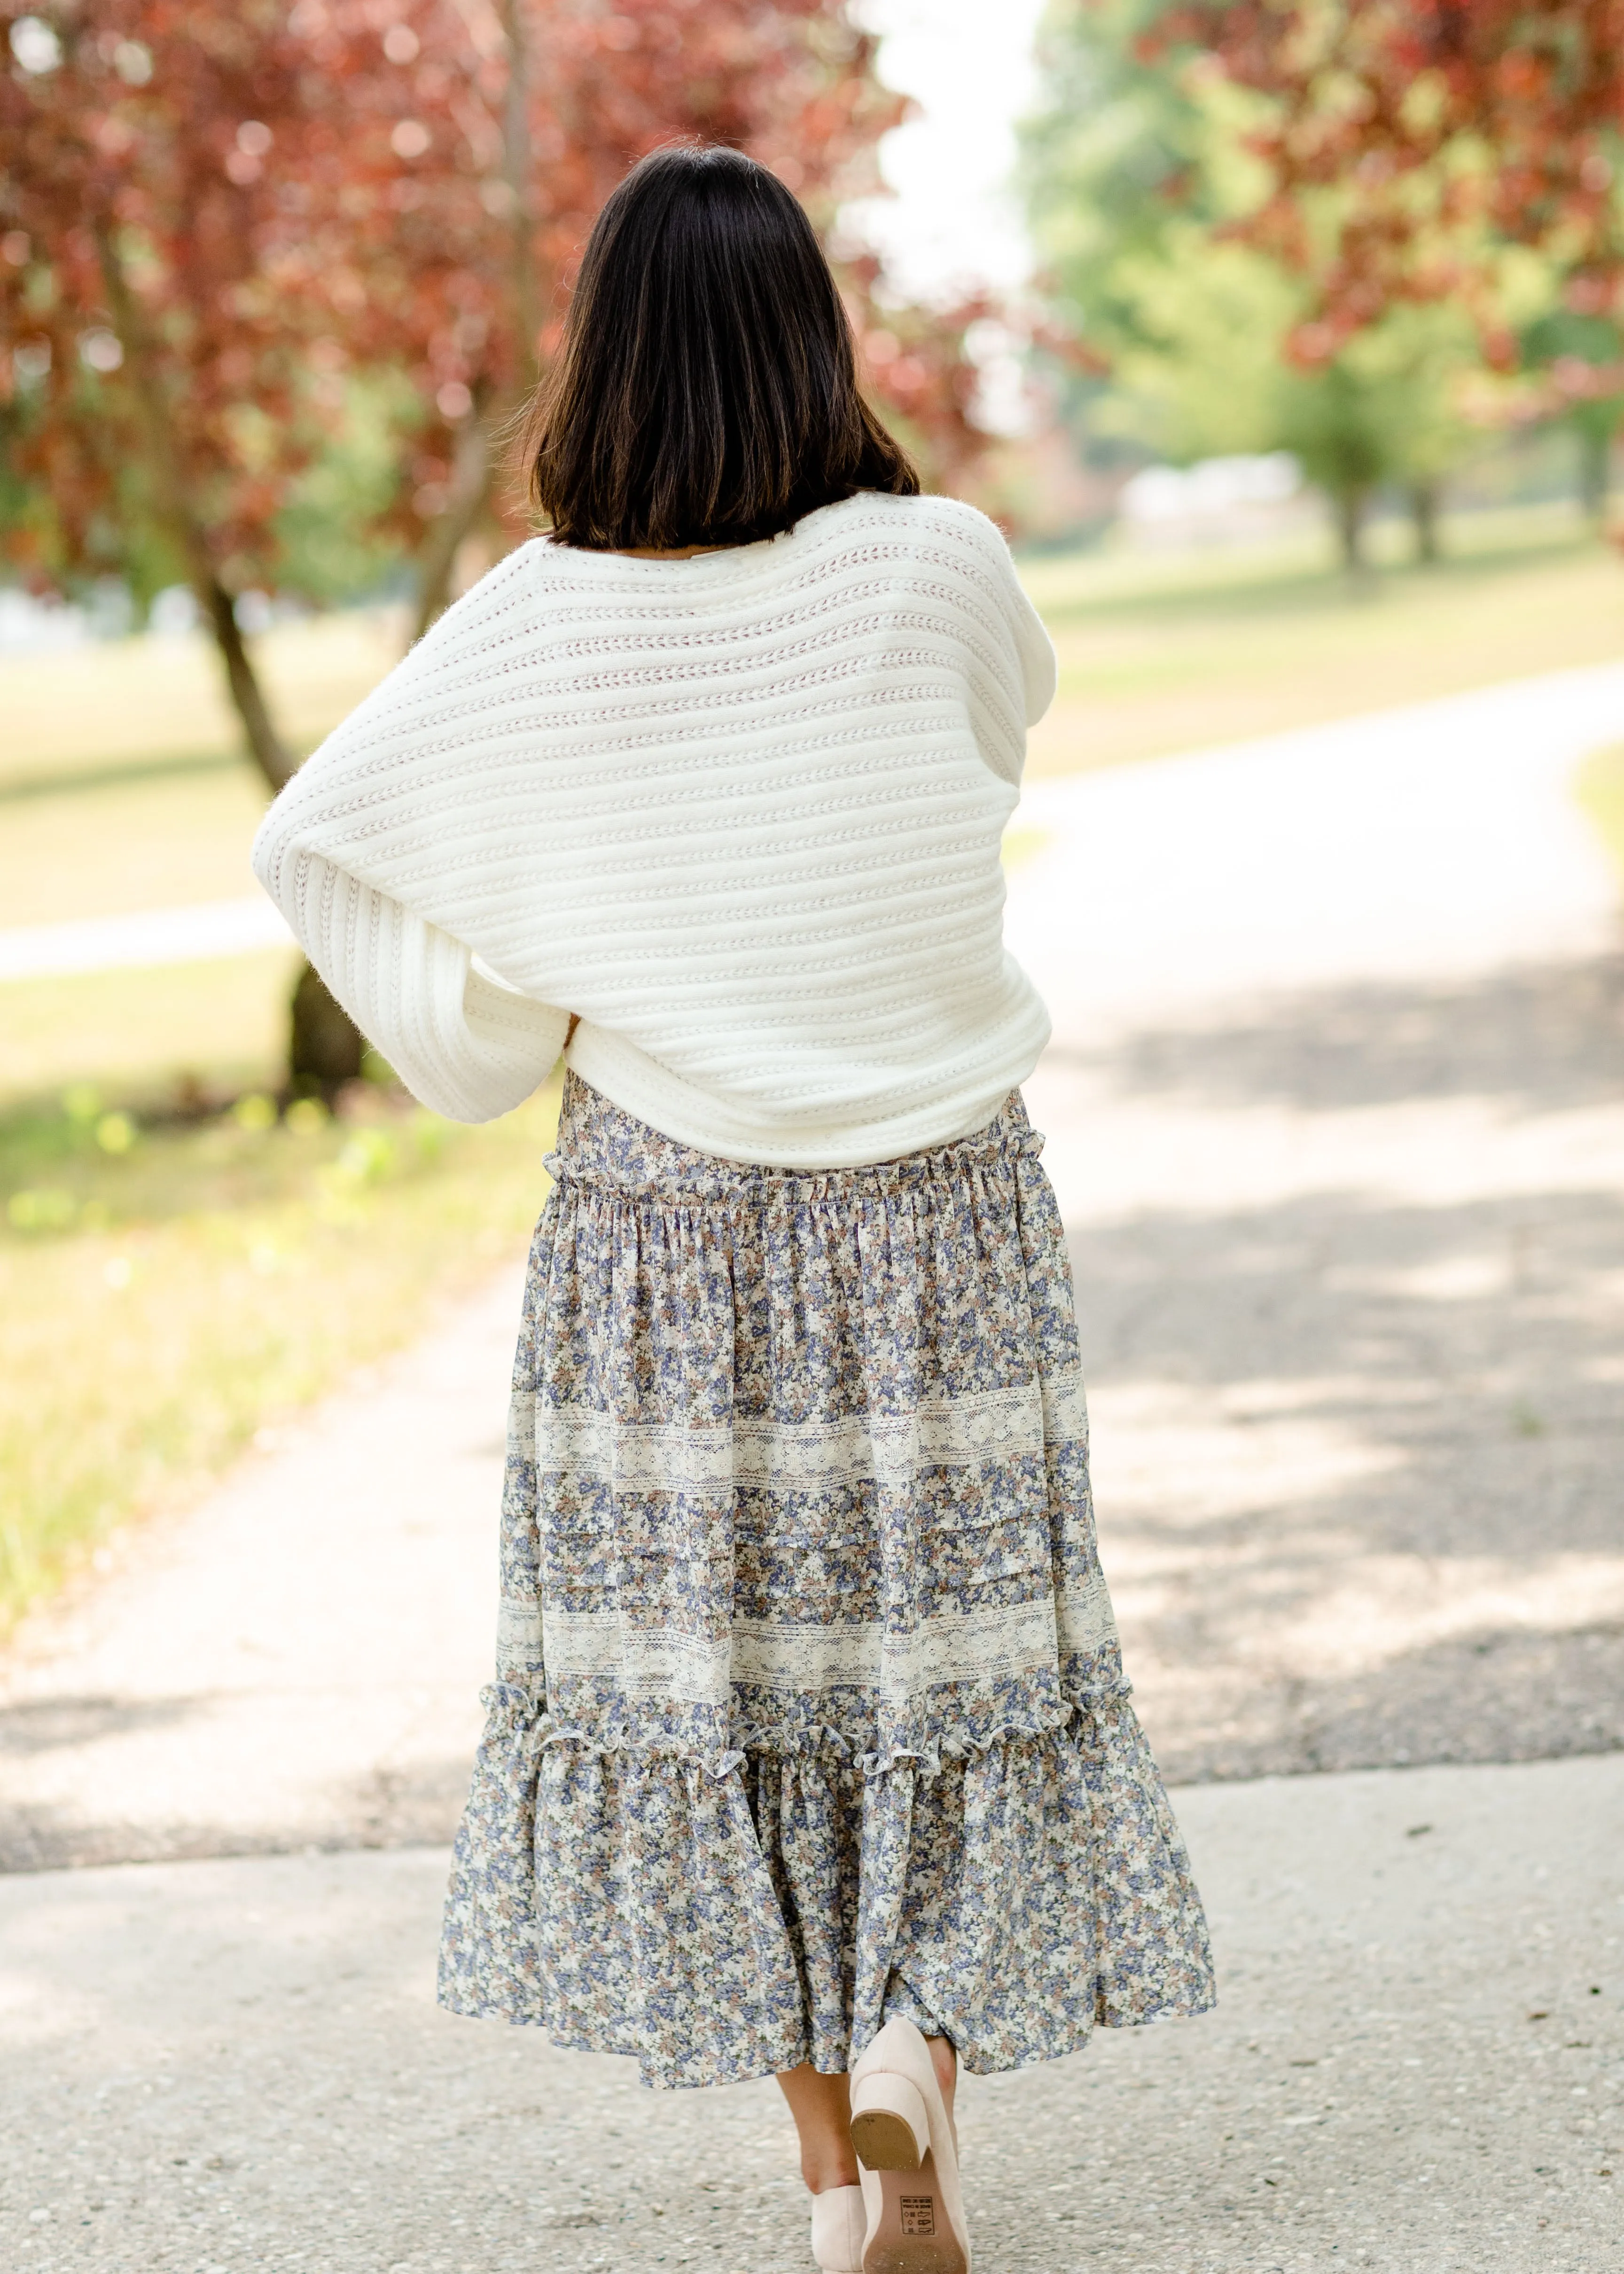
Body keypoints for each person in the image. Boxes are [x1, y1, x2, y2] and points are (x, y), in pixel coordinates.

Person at [252, 140, 1214, 2274]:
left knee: (722, 1692)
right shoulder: (942, 566)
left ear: (604, 357)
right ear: (815, 339)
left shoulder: (541, 628)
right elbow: (994, 740)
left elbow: (318, 841)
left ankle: (821, 2180)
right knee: (956, 1661)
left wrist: (511, 1010)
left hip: (661, 1242)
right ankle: (912, 2064)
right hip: (945, 1222)